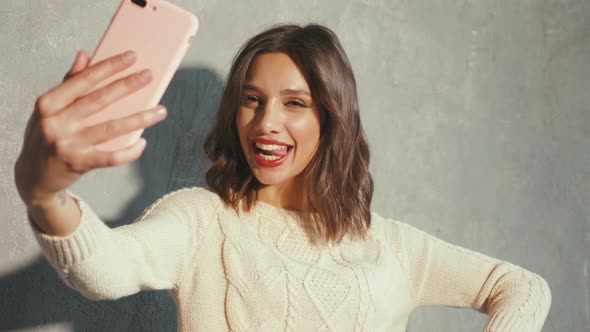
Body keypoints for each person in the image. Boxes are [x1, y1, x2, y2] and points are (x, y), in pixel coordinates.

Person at [14, 24, 551, 331]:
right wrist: (44, 193)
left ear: (331, 119)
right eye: (252, 100)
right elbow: (105, 270)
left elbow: (522, 288)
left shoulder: (390, 244)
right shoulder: (202, 220)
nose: (266, 122)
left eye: (295, 103)